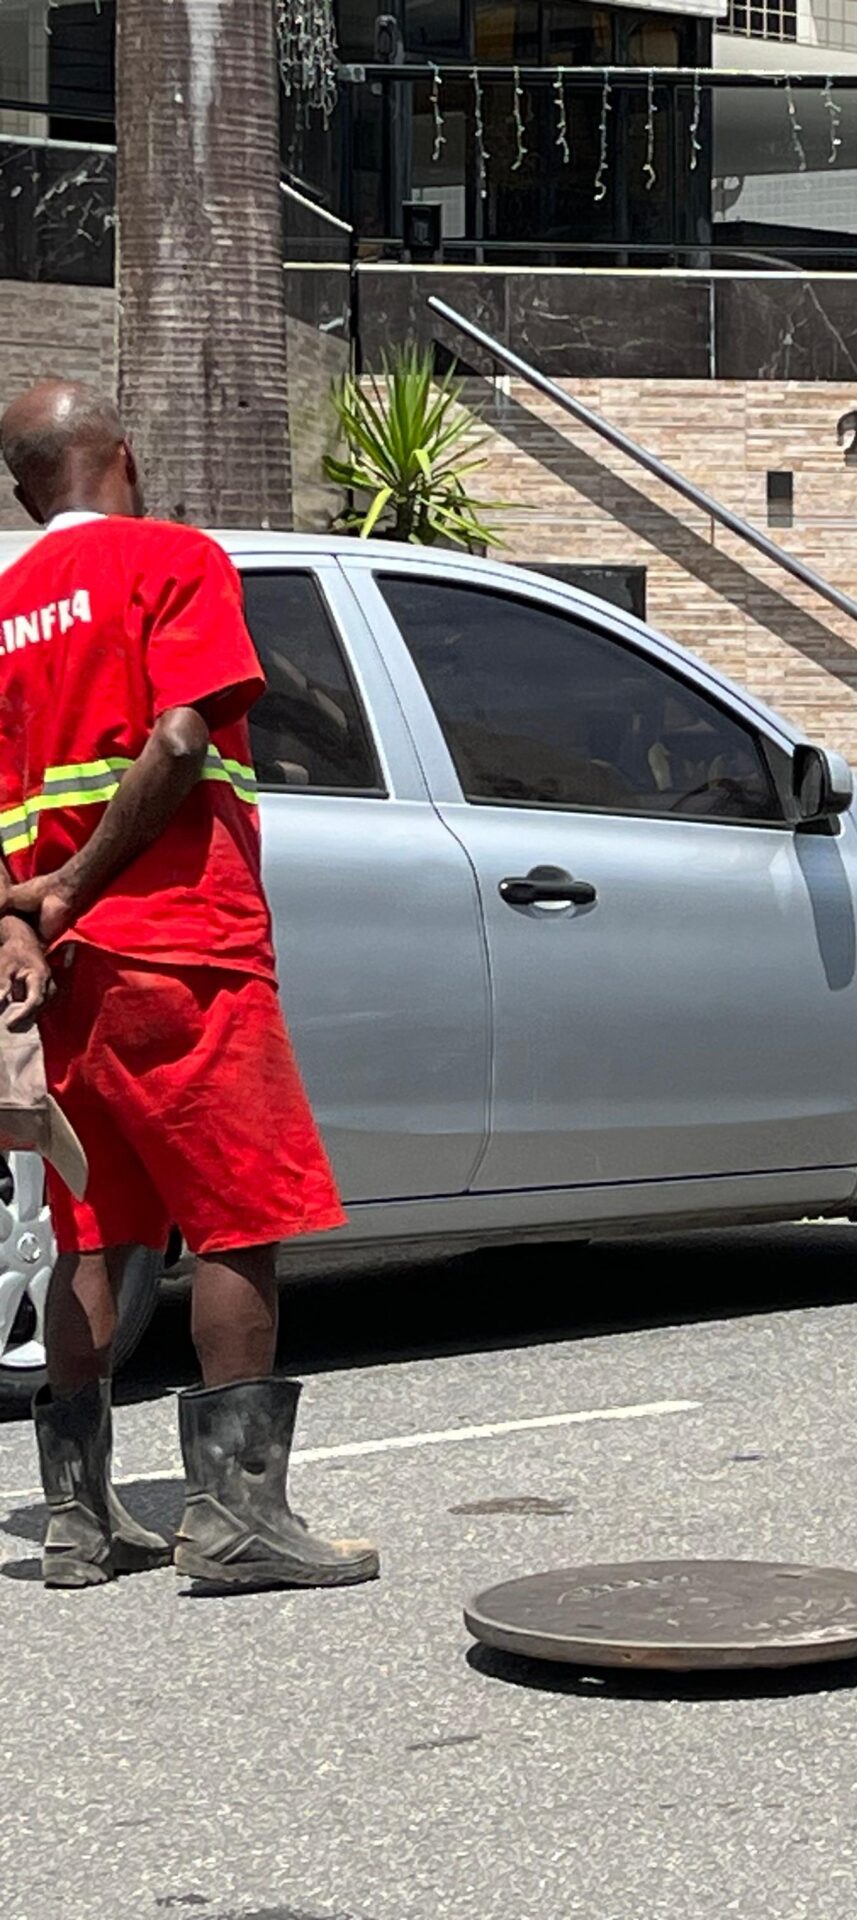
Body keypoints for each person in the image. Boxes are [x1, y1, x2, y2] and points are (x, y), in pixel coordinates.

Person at [0, 379, 376, 1590]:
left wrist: (25, 921)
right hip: (180, 945)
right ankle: (238, 1523)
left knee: (94, 1238)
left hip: (61, 981)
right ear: (122, 453)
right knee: (238, 1219)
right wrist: (82, 885)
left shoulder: (3, 606)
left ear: (23, 486)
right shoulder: (173, 559)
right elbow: (180, 737)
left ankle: (75, 1523)